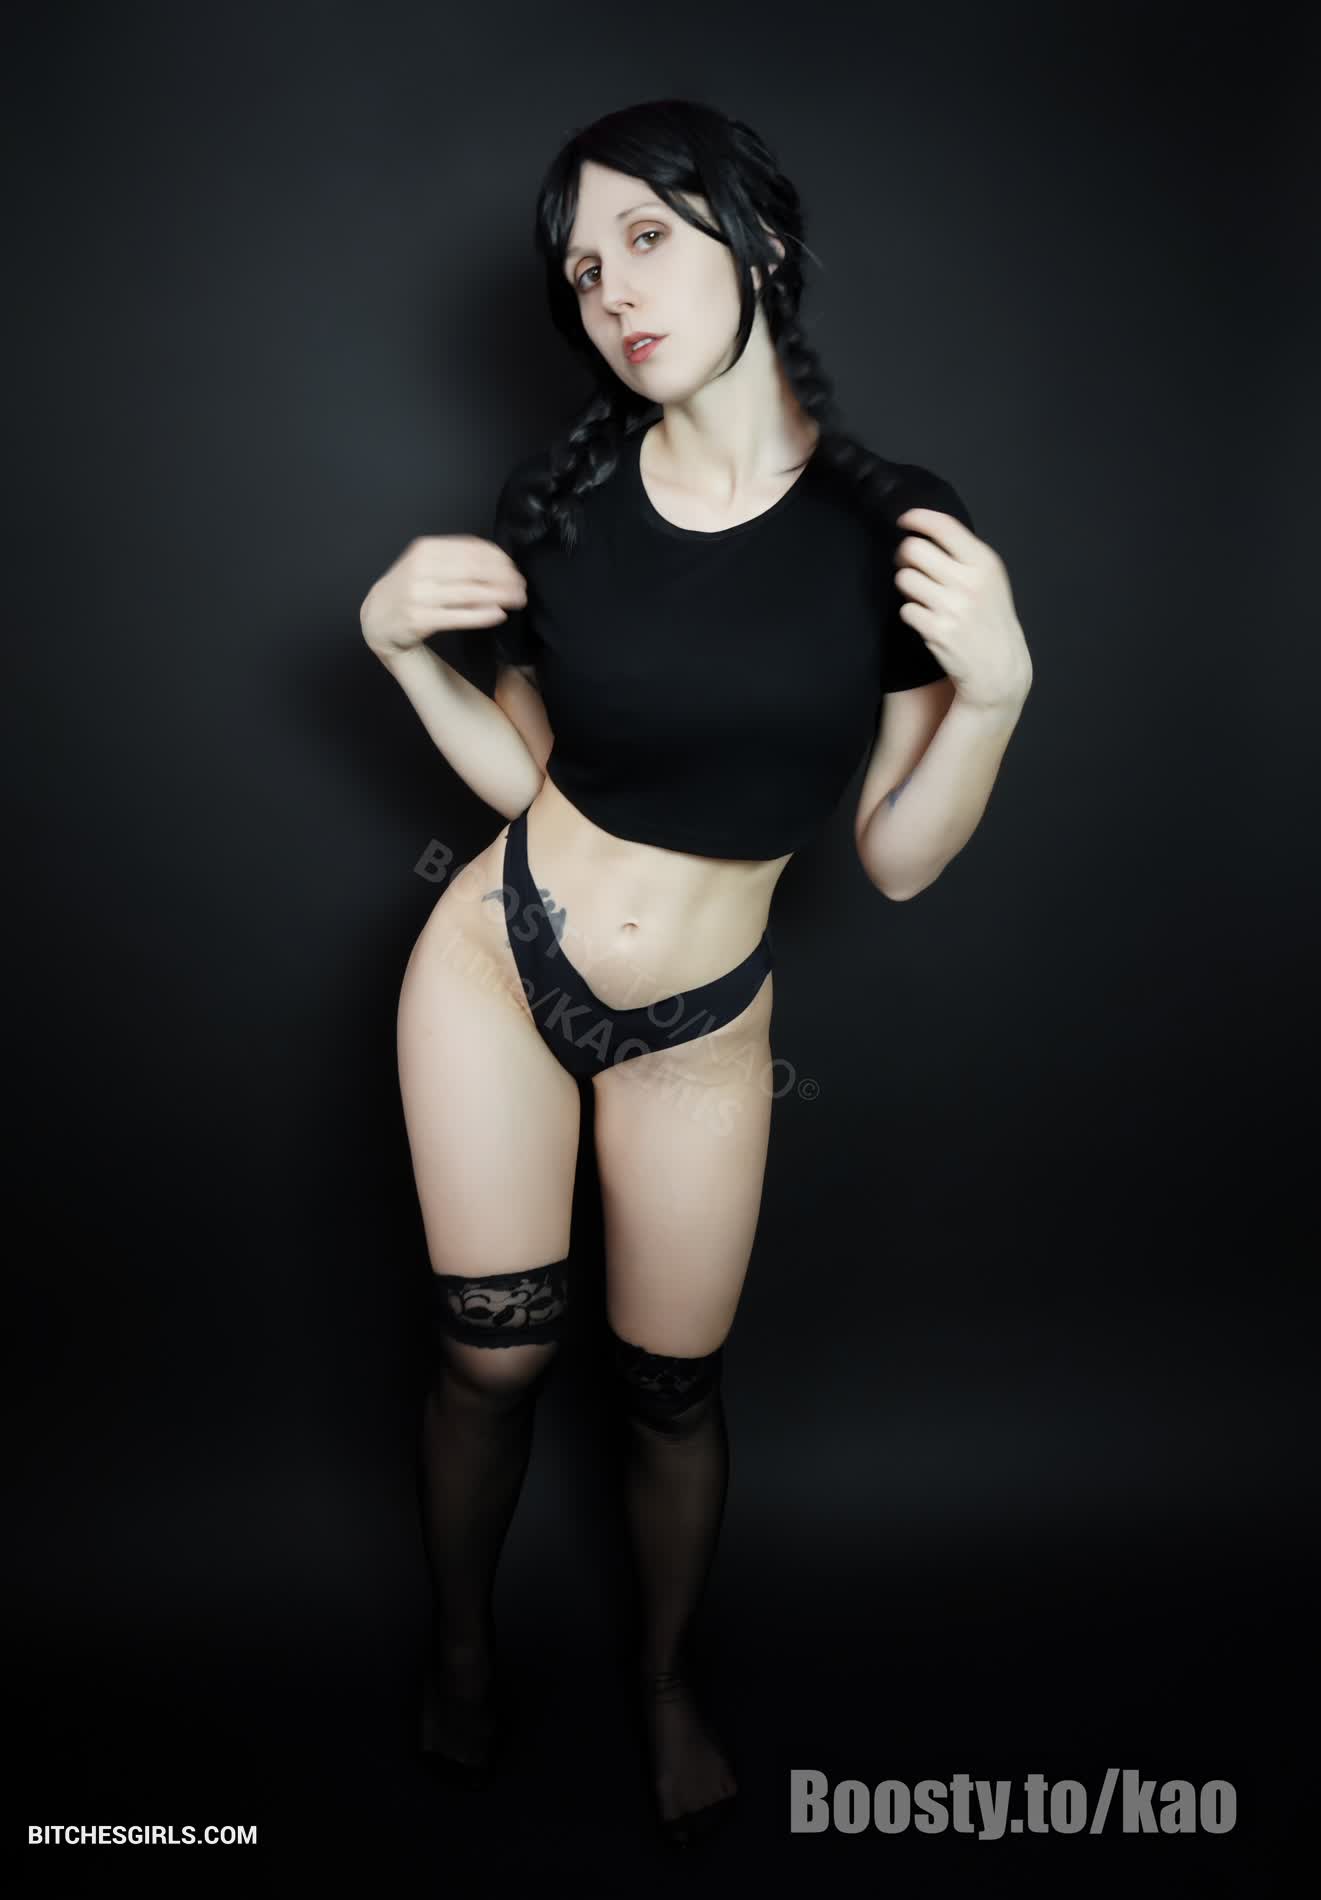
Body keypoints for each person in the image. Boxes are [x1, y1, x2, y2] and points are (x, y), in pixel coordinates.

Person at [359, 97, 1033, 1846]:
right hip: (495, 967)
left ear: (759, 240)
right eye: (584, 270)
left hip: (701, 1029)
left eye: (647, 238)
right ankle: (460, 1652)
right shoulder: (563, 504)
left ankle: (661, 1689)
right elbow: (522, 782)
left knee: (668, 1392)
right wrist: (404, 660)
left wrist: (996, 698)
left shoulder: (893, 526)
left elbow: (895, 858)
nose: (612, 293)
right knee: (493, 1360)